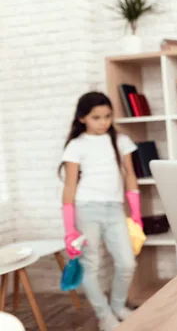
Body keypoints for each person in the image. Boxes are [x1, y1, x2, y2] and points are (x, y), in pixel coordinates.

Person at [58, 92, 142, 330]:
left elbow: (130, 176)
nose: (103, 122)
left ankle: (117, 307)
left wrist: (135, 214)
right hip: (87, 209)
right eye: (96, 117)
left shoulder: (120, 141)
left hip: (115, 209)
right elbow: (70, 186)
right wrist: (69, 229)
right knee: (90, 264)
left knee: (127, 263)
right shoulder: (76, 146)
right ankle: (104, 315)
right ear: (83, 118)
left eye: (107, 116)